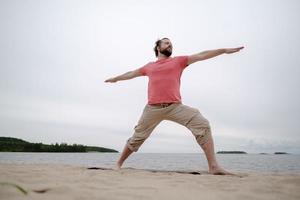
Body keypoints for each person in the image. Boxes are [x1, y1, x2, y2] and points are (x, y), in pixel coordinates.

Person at [105, 38, 244, 175]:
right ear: (158, 48)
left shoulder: (178, 61)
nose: (169, 44)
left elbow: (201, 55)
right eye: (166, 43)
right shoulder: (149, 66)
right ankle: (118, 164)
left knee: (202, 124)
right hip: (152, 108)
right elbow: (131, 73)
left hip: (175, 107)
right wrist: (116, 78)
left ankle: (214, 166)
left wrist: (223, 50)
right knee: (137, 137)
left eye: (171, 43)